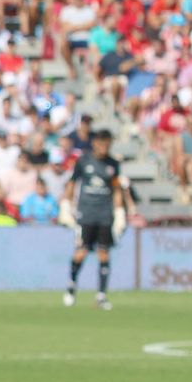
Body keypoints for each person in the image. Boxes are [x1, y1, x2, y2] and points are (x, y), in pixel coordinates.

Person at [61, 129, 131, 310]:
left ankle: (101, 295)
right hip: (86, 213)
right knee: (81, 252)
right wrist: (66, 205)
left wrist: (119, 212)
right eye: (101, 144)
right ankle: (71, 287)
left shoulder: (113, 164)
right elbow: (72, 183)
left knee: (104, 253)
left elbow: (116, 189)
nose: (104, 148)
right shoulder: (83, 161)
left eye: (107, 144)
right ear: (94, 143)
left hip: (104, 214)